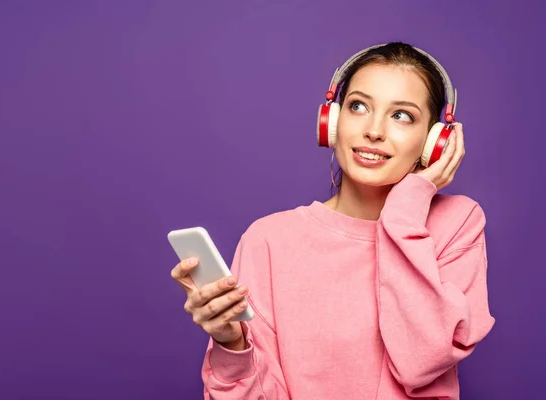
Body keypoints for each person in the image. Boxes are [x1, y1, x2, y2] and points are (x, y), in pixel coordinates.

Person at [170, 42, 496, 399]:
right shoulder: (269, 240)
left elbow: (421, 363)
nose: (374, 130)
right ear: (332, 122)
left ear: (434, 141)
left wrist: (405, 211)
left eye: (401, 115)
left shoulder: (457, 223)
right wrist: (231, 342)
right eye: (359, 106)